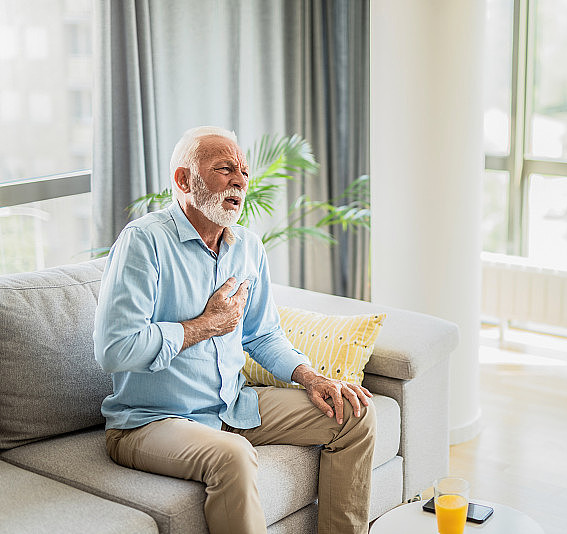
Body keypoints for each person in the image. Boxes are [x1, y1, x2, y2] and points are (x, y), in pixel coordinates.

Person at [94, 126, 376, 534]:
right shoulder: (143, 242)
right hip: (149, 422)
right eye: (225, 169)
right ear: (184, 180)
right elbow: (115, 349)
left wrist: (310, 376)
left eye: (244, 172)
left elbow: (261, 334)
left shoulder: (248, 247)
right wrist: (204, 326)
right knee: (234, 455)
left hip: (231, 406)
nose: (241, 181)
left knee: (353, 415)